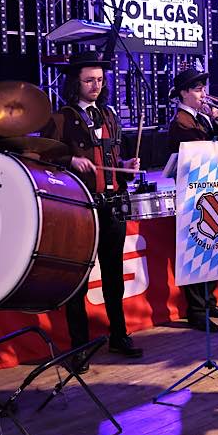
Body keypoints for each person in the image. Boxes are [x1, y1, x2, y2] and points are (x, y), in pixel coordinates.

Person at [42, 51, 143, 371]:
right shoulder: (60, 118)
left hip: (112, 204)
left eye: (100, 80)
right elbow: (43, 159)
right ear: (75, 82)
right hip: (82, 209)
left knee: (114, 276)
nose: (95, 85)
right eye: (89, 80)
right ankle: (79, 346)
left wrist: (127, 166)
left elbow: (114, 159)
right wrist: (69, 161)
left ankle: (119, 335)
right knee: (81, 279)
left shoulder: (109, 114)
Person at [166, 67, 218, 332]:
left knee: (211, 248)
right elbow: (205, 152)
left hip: (211, 191)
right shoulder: (181, 122)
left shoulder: (200, 118)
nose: (204, 95)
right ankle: (197, 310)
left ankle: (209, 301)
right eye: (198, 90)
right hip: (193, 198)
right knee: (197, 250)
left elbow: (214, 141)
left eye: (203, 89)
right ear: (183, 93)